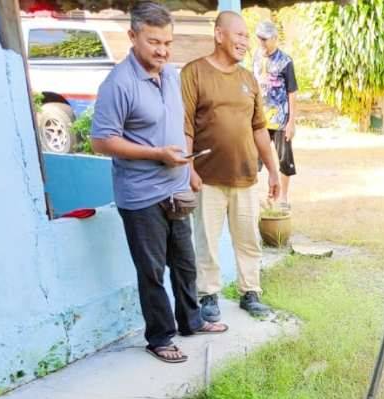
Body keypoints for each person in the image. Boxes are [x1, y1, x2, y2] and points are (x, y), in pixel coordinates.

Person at [90, 1, 228, 364]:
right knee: (152, 271)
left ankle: (191, 320)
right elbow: (102, 140)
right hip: (140, 196)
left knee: (185, 263)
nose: (163, 50)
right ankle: (160, 337)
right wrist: (157, 155)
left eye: (167, 42)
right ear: (133, 36)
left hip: (175, 187)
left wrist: (187, 166)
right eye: (154, 42)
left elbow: (175, 127)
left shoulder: (171, 75)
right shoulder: (118, 84)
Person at [181, 11, 281, 321]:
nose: (244, 41)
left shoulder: (248, 79)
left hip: (246, 177)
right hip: (207, 178)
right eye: (237, 34)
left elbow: (259, 129)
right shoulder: (194, 72)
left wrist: (274, 169)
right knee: (207, 240)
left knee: (248, 238)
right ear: (218, 34)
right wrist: (189, 169)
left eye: (246, 37)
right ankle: (208, 295)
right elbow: (184, 125)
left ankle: (250, 292)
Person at [253, 20, 299, 210]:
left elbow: (292, 92)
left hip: (280, 121)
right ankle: (254, 197)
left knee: (284, 161)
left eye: (265, 39)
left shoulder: (285, 61)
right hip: (259, 121)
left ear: (274, 39)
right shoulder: (256, 57)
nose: (261, 43)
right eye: (259, 38)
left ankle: (283, 199)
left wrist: (291, 122)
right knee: (253, 159)